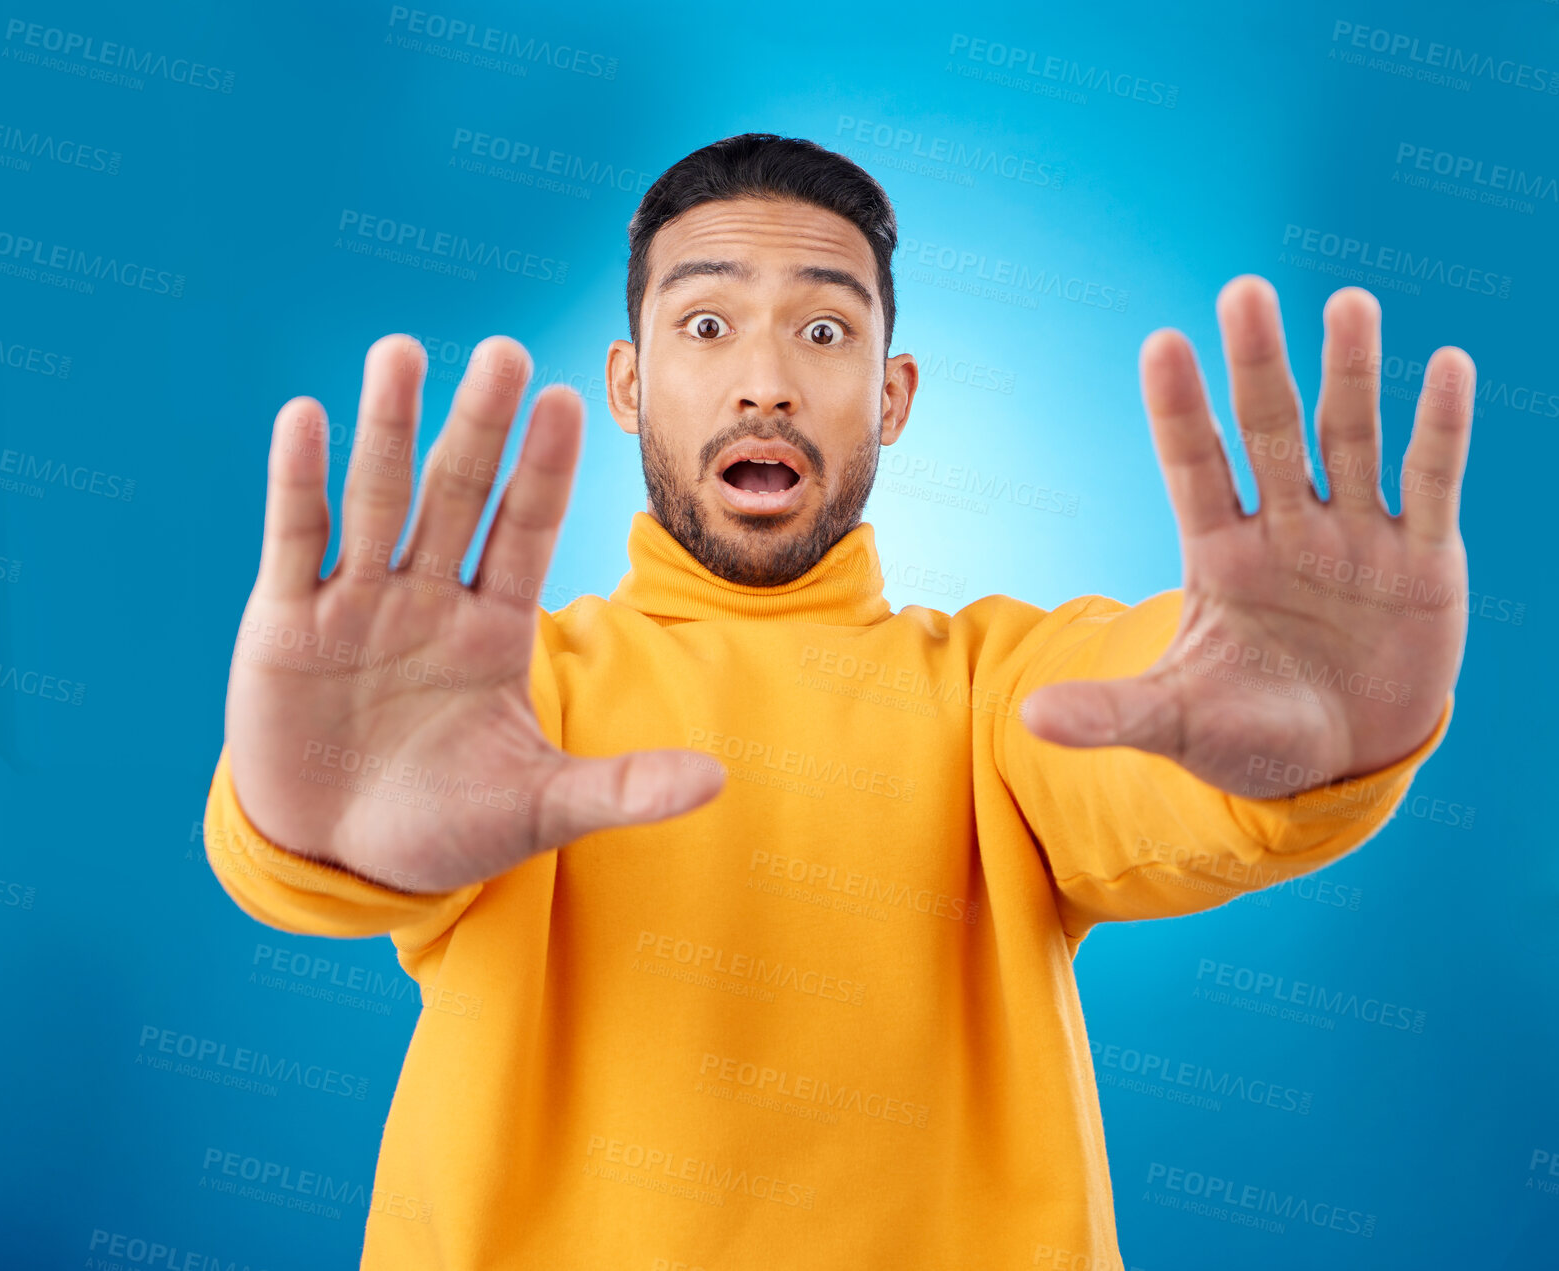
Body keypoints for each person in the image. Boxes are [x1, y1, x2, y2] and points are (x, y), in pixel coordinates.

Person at [202, 133, 1473, 1269]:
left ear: (893, 394)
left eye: (825, 331)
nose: (767, 382)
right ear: (631, 383)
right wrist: (313, 809)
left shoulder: (992, 692)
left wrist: (1310, 719)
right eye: (706, 327)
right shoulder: (502, 699)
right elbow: (317, 834)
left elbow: (1129, 725)